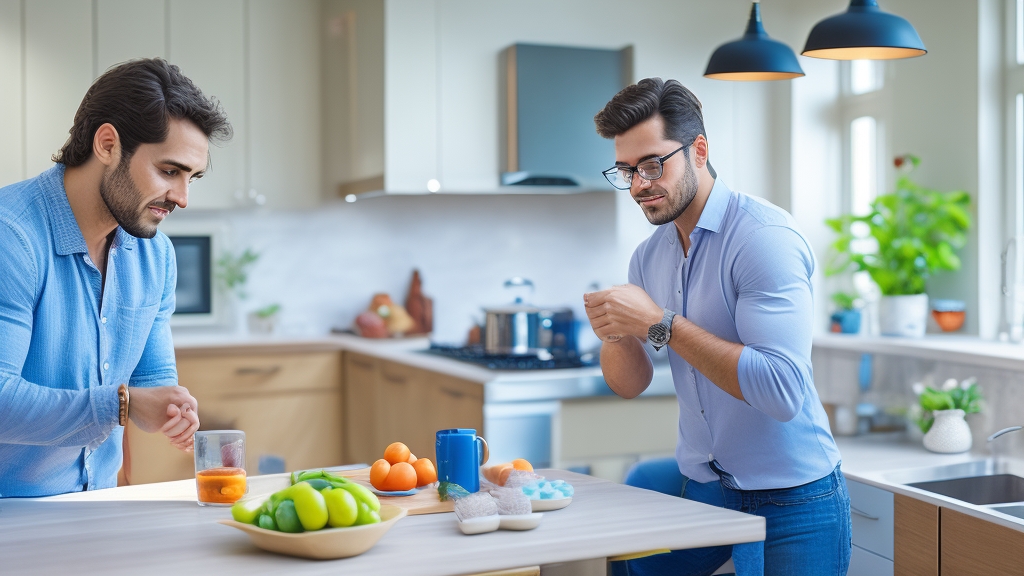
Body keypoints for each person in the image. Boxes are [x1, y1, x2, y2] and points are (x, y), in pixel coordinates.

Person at [585, 78, 850, 575]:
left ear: (699, 150)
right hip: (707, 490)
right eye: (626, 171)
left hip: (793, 501)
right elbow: (630, 384)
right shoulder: (649, 257)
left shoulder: (762, 239)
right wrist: (616, 330)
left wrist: (661, 324)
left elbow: (780, 389)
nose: (639, 184)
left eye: (652, 164)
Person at [0, 58, 232, 497]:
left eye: (192, 177)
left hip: (98, 500)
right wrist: (120, 405)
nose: (182, 198)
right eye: (169, 171)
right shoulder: (11, 238)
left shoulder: (155, 255)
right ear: (107, 144)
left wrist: (169, 408)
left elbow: (152, 382)